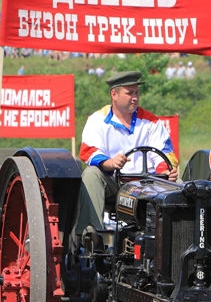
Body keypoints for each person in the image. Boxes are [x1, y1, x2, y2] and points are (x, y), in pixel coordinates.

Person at [74, 70, 179, 239]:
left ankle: (176, 240)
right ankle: (90, 236)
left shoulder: (151, 121)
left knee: (179, 184)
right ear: (114, 94)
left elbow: (164, 153)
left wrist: (165, 172)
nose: (135, 97)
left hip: (148, 185)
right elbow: (90, 152)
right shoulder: (97, 120)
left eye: (137, 93)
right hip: (114, 183)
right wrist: (110, 163)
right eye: (129, 93)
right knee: (91, 174)